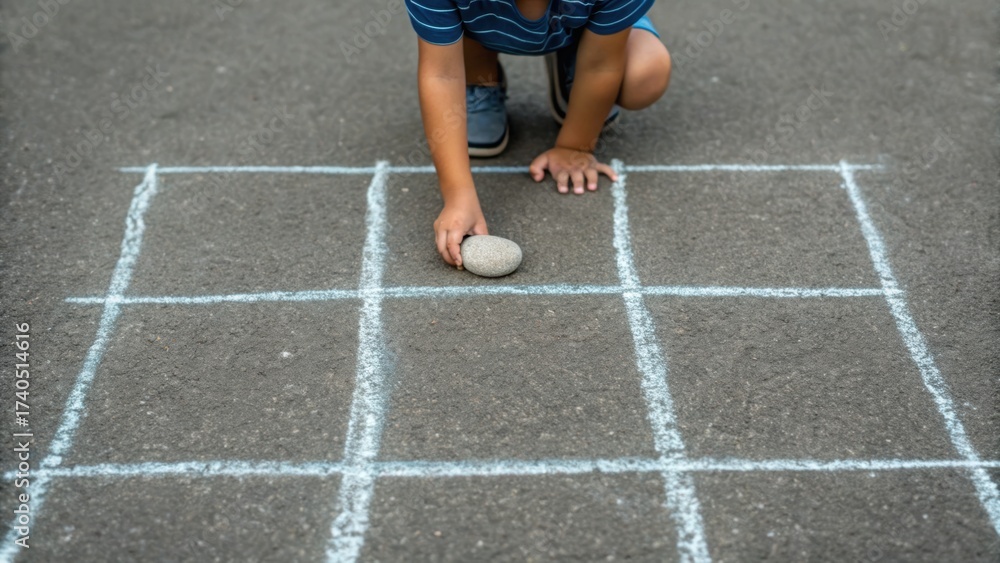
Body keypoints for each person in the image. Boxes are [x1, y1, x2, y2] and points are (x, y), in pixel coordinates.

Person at [404, 0, 671, 268]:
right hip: (479, 26)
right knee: (456, 28)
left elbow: (602, 65)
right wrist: (457, 194)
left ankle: (575, 62)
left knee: (645, 75)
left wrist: (575, 146)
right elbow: (441, 75)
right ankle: (480, 80)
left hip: (584, 25)